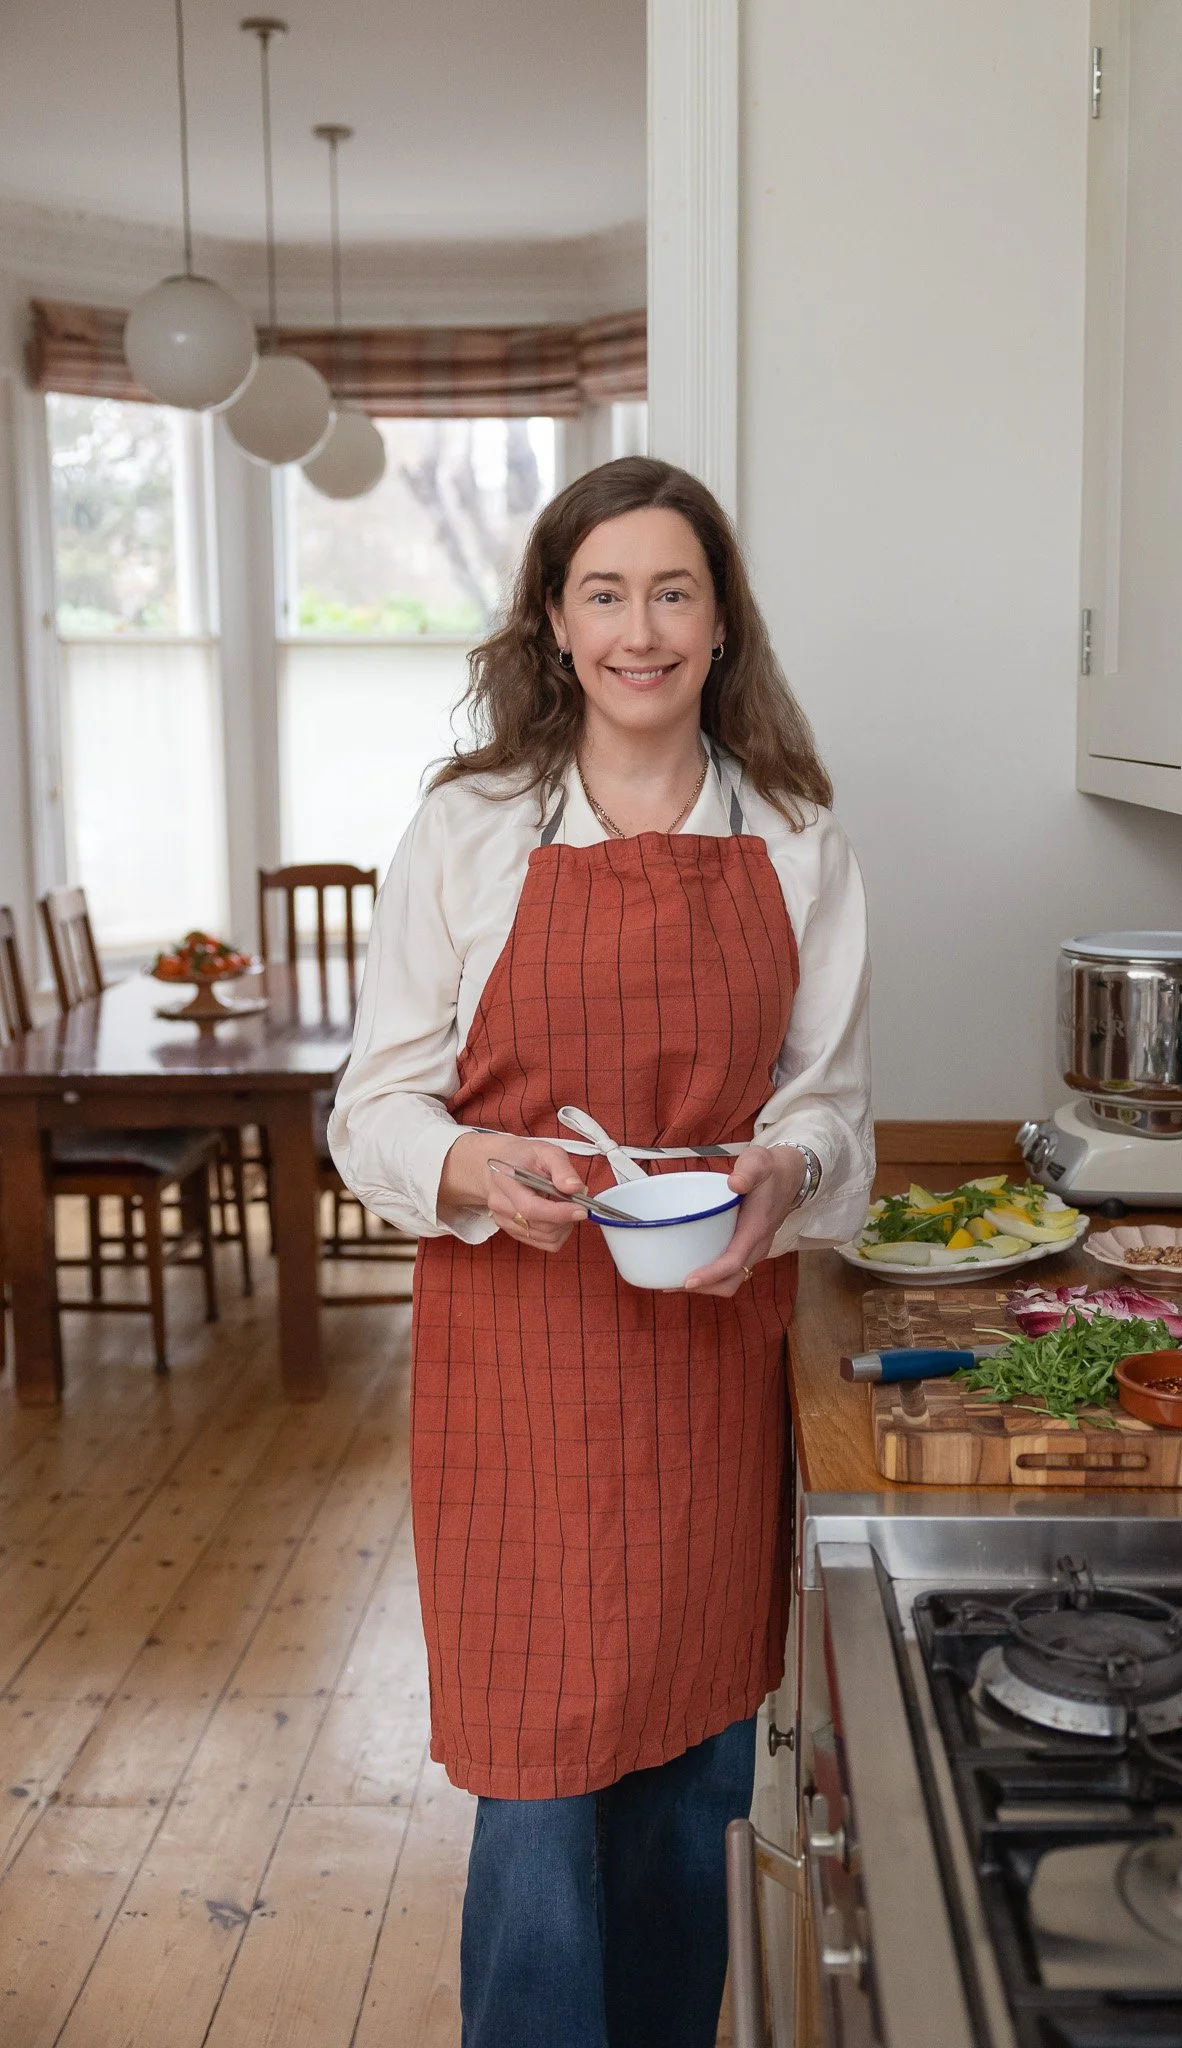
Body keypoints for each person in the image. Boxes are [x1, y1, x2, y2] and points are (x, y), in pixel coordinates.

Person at [330, 455, 873, 2048]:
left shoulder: (796, 835)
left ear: (721, 626)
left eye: (675, 591)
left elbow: (831, 1107)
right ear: (556, 626)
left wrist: (784, 1169)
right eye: (606, 593)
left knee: (687, 1773)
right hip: (520, 1363)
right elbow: (371, 1108)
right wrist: (472, 1161)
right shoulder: (473, 826)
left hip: (710, 1360)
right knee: (538, 1780)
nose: (642, 629)